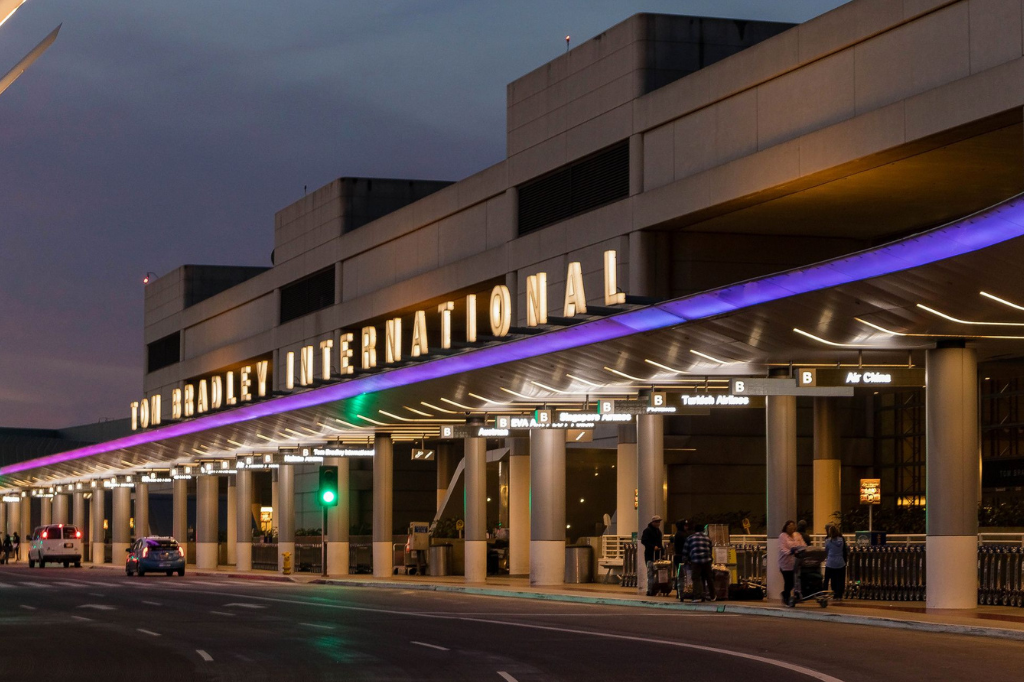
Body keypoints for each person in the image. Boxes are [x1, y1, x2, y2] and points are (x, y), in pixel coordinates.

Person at [682, 524, 715, 602]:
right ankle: (712, 596)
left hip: (696, 560)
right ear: (703, 530)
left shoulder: (690, 538)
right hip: (707, 560)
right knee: (709, 578)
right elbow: (710, 550)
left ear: (694, 530)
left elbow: (685, 550)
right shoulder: (707, 538)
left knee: (696, 578)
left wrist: (685, 560)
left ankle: (697, 597)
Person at [778, 520, 806, 605]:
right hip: (785, 562)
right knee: (788, 581)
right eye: (789, 526)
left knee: (795, 581)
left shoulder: (797, 535)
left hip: (796, 562)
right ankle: (786, 596)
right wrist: (790, 552)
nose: (791, 527)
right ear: (786, 527)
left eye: (793, 526)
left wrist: (801, 551)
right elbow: (782, 548)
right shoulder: (783, 536)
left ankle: (787, 594)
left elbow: (803, 545)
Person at [640, 515, 663, 596]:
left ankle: (656, 589)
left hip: (657, 555)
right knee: (651, 573)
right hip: (650, 554)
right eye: (657, 522)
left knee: (656, 573)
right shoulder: (647, 531)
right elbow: (644, 541)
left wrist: (662, 552)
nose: (658, 523)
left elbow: (660, 543)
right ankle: (650, 590)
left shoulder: (658, 531)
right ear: (653, 522)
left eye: (659, 522)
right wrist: (653, 547)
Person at [823, 524, 848, 600]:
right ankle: (839, 594)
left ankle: (825, 593)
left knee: (828, 578)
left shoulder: (828, 541)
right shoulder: (842, 540)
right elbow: (844, 550)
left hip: (830, 562)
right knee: (840, 579)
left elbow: (826, 551)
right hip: (840, 562)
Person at [672, 519, 692, 590]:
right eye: (685, 525)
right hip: (681, 556)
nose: (687, 527)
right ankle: (680, 588)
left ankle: (678, 588)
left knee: (680, 573)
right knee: (682, 574)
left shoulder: (679, 533)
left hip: (678, 556)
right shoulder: (682, 534)